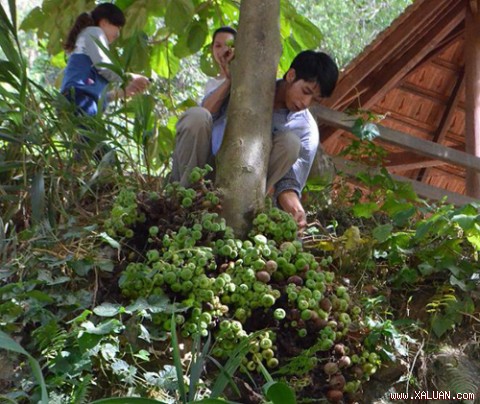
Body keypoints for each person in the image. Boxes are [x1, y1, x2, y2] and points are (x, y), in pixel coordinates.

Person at [170, 50, 339, 231]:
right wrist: (231, 81)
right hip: (202, 171)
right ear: (291, 75)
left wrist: (296, 210)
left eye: (315, 100)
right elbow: (206, 112)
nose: (306, 102)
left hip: (243, 191)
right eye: (306, 91)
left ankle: (240, 215)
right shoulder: (249, 86)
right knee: (196, 115)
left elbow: (289, 182)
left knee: (291, 143)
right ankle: (183, 203)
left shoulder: (306, 130)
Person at [61, 3, 149, 118]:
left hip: (74, 99)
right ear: (104, 22)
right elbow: (104, 67)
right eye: (118, 27)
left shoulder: (88, 40)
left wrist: (124, 92)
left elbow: (98, 98)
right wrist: (130, 77)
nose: (118, 34)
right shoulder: (94, 32)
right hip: (79, 98)